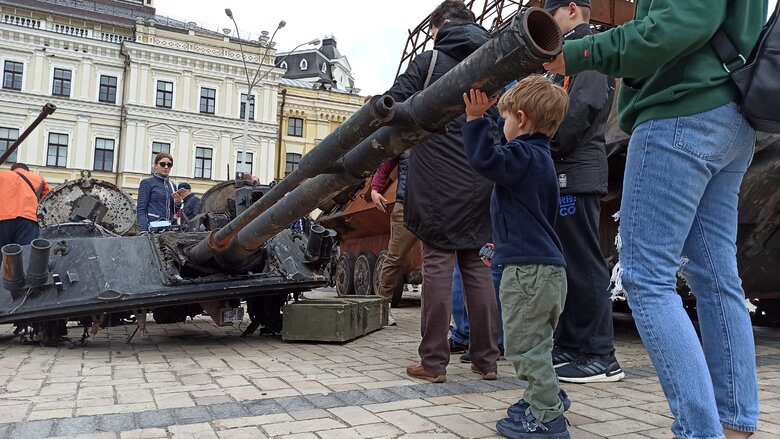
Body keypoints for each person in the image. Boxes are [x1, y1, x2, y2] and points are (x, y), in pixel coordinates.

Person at [544, 0, 765, 437]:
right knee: (718, 279)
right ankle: (734, 425)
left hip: (680, 113)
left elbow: (676, 24)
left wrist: (572, 53)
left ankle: (701, 431)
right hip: (731, 111)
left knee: (648, 279)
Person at [397, 0, 501, 383]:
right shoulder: (494, 59)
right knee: (478, 269)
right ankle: (487, 360)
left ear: (439, 26)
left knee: (438, 267)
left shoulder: (428, 62)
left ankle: (434, 363)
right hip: (483, 174)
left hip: (436, 179)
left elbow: (396, 105)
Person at [462, 76, 570, 438]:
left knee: (524, 349)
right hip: (548, 270)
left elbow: (486, 160)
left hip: (527, 275)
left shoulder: (521, 154)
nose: (501, 123)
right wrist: (502, 246)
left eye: (504, 118)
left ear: (521, 120)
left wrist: (477, 120)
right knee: (539, 342)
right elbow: (531, 219)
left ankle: (547, 417)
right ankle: (545, 395)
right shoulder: (542, 161)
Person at [541, 0, 623, 383]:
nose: (549, 26)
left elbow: (584, 105)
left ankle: (600, 355)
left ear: (571, 9)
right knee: (569, 263)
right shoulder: (571, 52)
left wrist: (547, 144)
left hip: (575, 170)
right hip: (568, 170)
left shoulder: (585, 49)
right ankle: (573, 345)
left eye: (552, 15)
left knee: (584, 261)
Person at [370, 151, 416, 327]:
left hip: (431, 205)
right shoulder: (405, 137)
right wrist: (375, 190)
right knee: (395, 257)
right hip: (405, 206)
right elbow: (385, 166)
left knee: (437, 260)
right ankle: (383, 307)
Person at [0, 163, 51, 247]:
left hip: (3, 217)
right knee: (25, 253)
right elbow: (49, 200)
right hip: (28, 219)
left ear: (12, 170)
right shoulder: (38, 179)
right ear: (27, 171)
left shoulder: (2, 175)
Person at [137, 153, 177, 234]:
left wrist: (178, 203)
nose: (166, 167)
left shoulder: (173, 186)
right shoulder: (147, 183)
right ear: (156, 166)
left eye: (169, 165)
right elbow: (141, 209)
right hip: (152, 229)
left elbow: (174, 212)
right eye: (162, 164)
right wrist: (143, 230)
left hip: (168, 230)